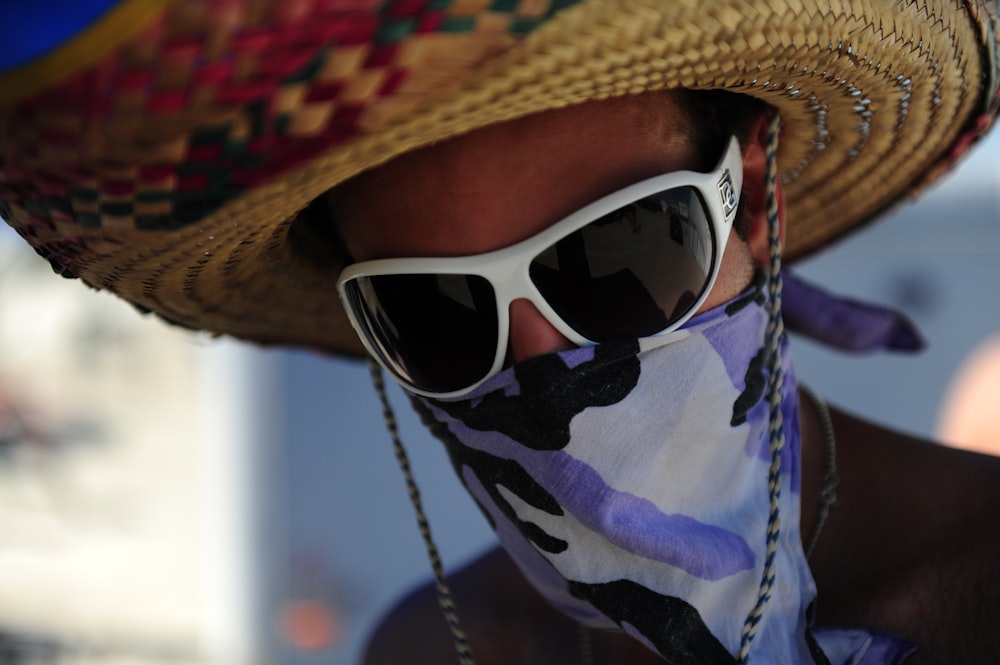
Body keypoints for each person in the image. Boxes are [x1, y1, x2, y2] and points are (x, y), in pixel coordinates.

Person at [1, 1, 999, 664]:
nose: (538, 370)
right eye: (433, 310)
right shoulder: (437, 646)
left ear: (751, 199)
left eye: (618, 257)